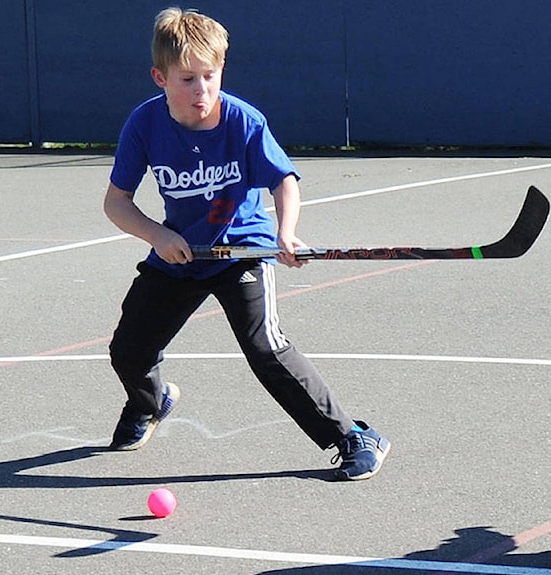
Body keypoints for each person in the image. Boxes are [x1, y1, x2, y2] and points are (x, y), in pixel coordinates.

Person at [104, 7, 390, 481]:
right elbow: (117, 204)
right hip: (181, 253)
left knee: (266, 349)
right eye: (187, 79)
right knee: (128, 350)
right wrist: (157, 234)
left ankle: (354, 436)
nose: (201, 91)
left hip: (243, 252)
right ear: (160, 77)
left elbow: (285, 182)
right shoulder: (144, 124)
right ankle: (151, 402)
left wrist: (285, 232)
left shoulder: (243, 120)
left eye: (210, 77)